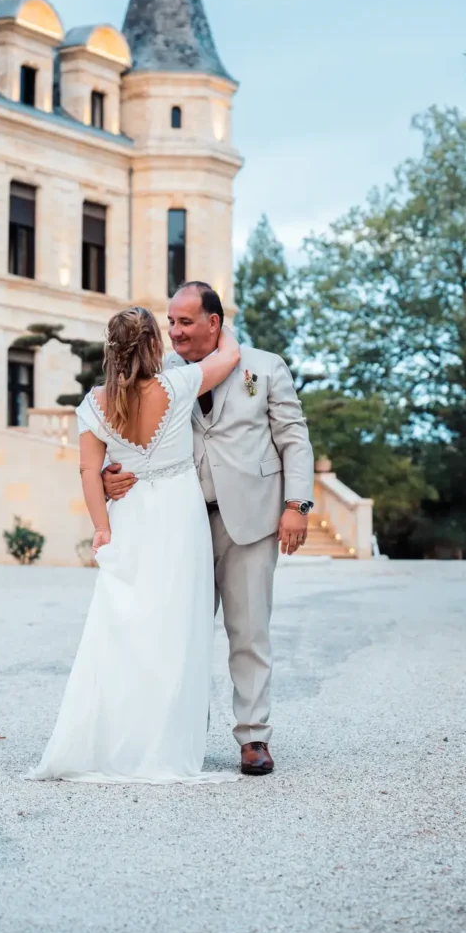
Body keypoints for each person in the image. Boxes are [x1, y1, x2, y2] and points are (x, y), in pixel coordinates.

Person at [103, 282, 315, 776]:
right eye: (170, 322)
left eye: (185, 322)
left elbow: (294, 439)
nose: (173, 331)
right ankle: (184, 736)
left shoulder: (264, 367)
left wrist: (297, 505)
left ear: (213, 323)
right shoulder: (159, 376)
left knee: (249, 632)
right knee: (182, 633)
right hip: (183, 525)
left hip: (254, 519)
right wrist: (111, 474)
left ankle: (254, 738)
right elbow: (128, 434)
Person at [27, 305, 242, 784]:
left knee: (122, 629)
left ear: (110, 349)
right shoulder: (178, 386)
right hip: (179, 518)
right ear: (154, 347)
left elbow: (88, 471)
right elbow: (229, 358)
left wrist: (101, 527)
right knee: (175, 630)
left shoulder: (95, 403)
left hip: (129, 518)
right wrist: (219, 327)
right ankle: (161, 744)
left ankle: (112, 740)